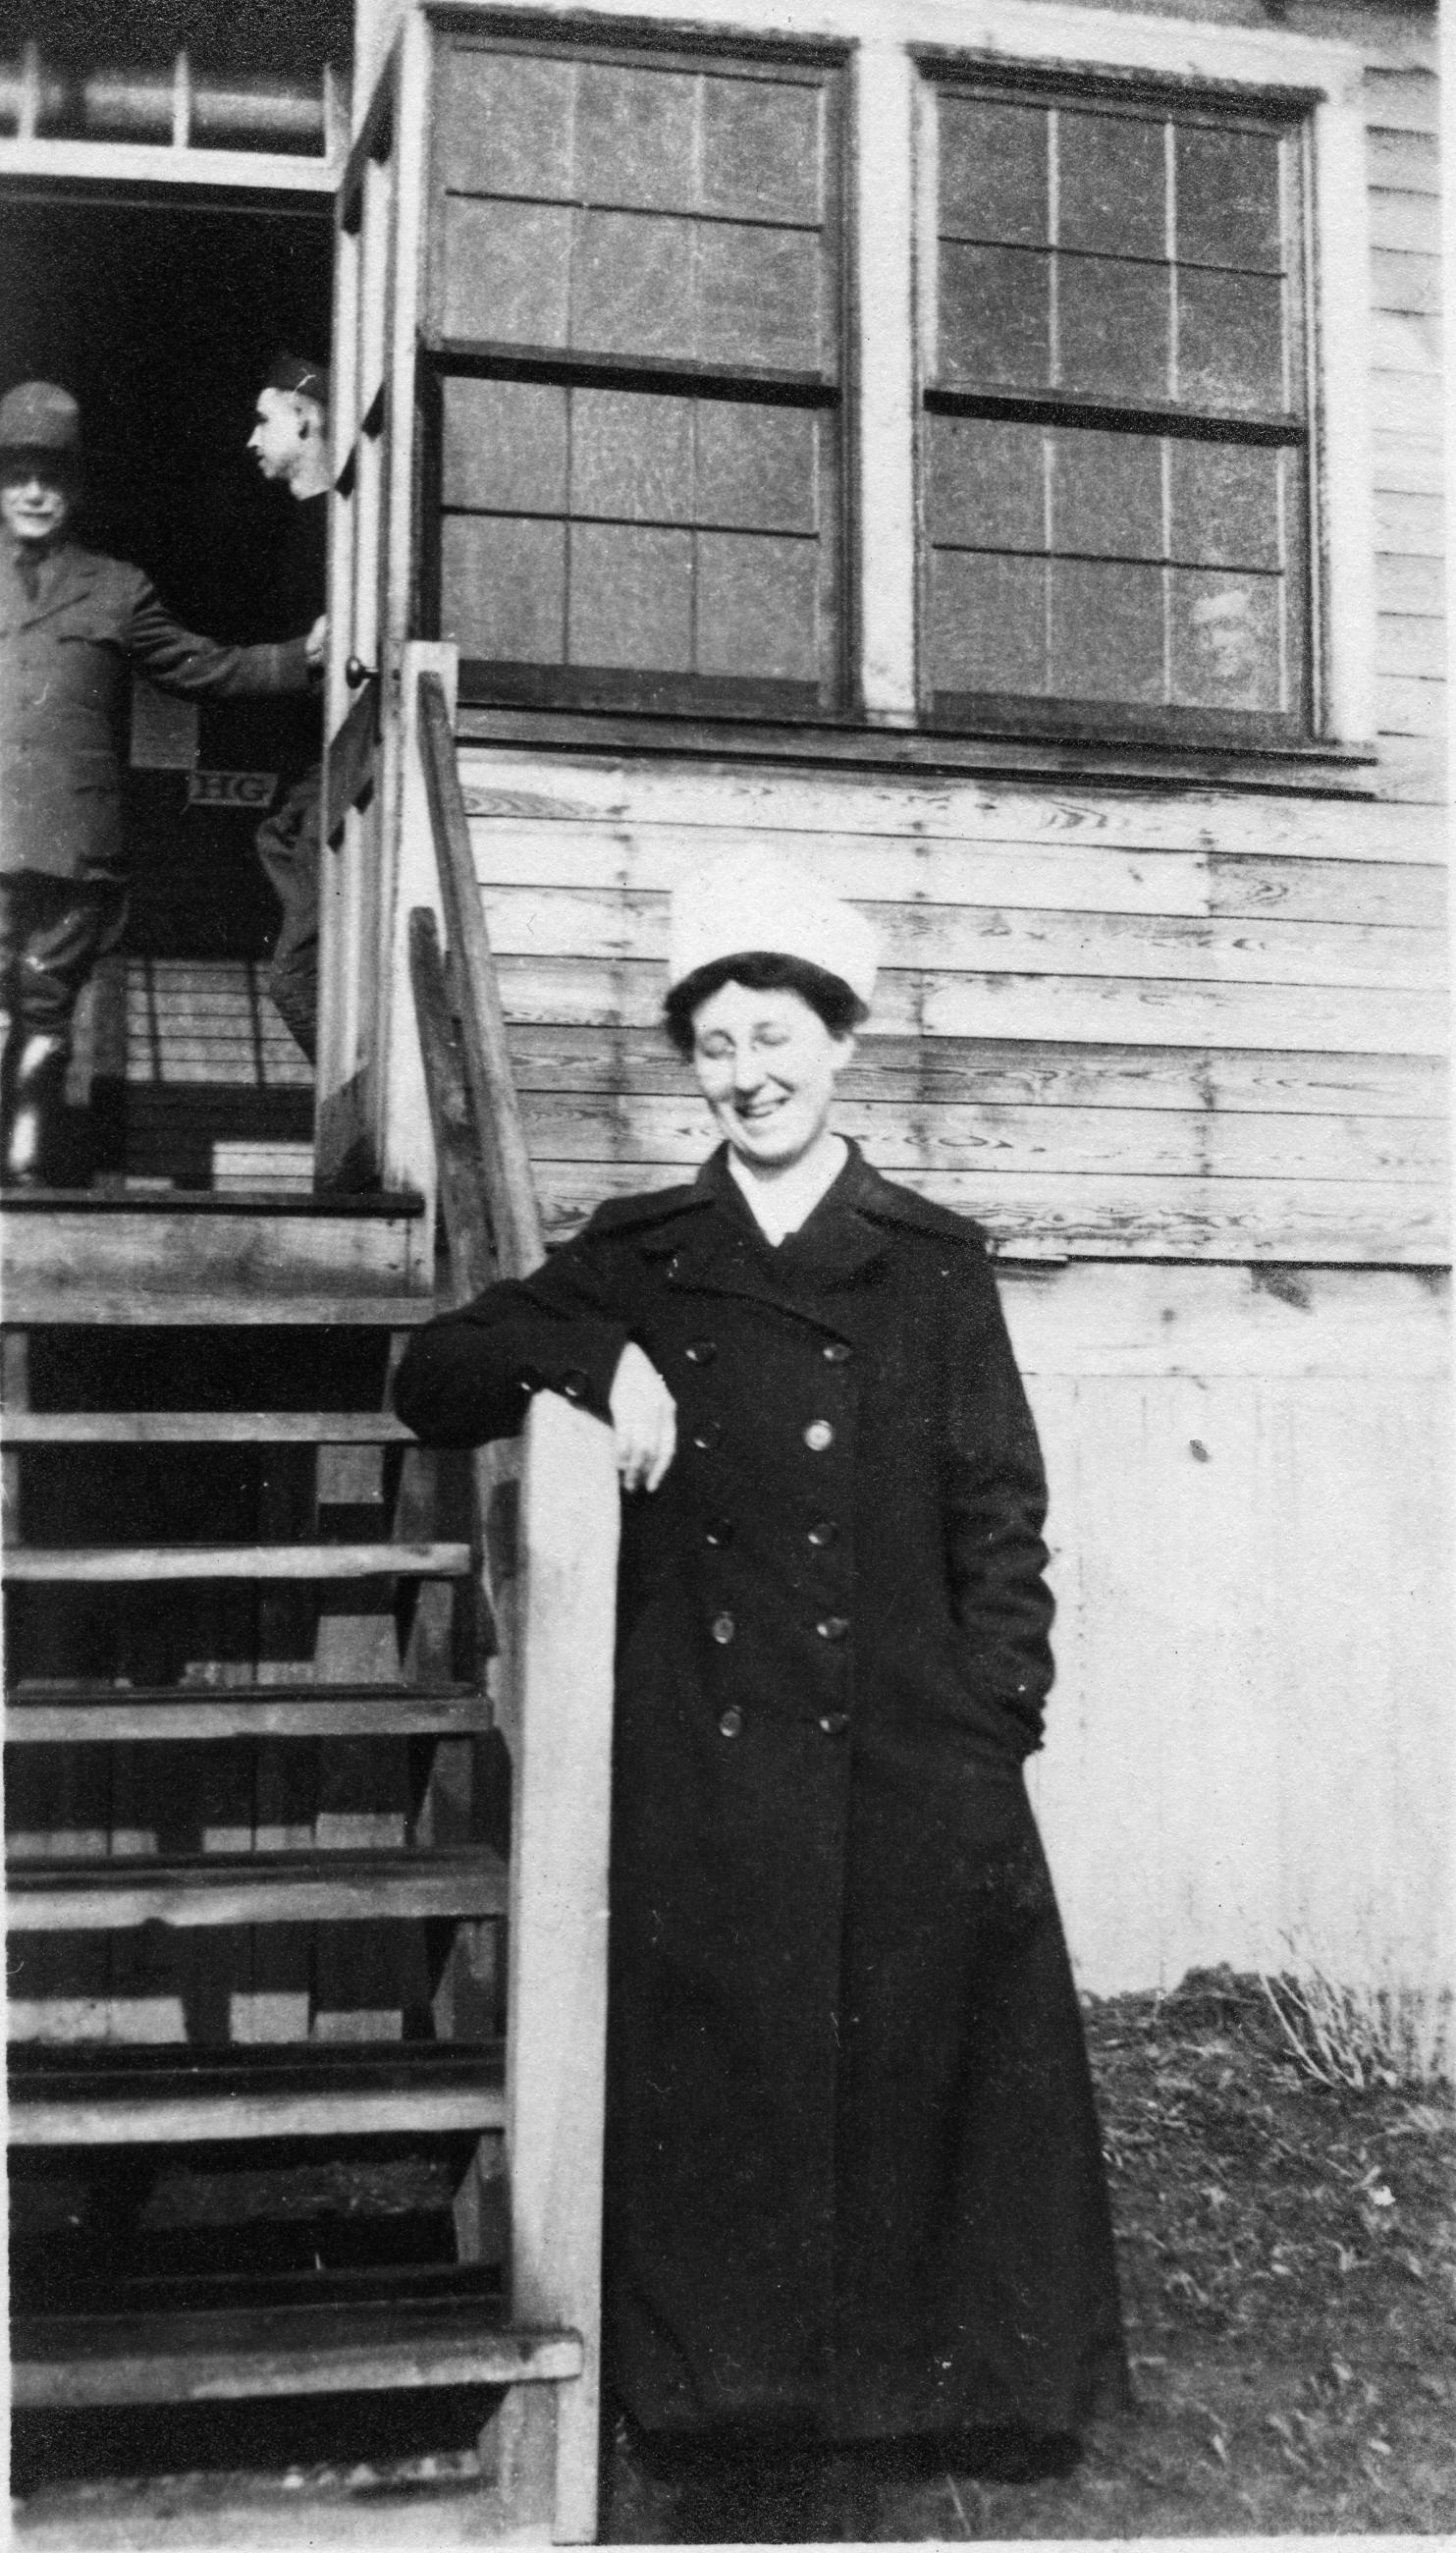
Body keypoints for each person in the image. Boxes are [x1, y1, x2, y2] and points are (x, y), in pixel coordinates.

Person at [392, 849, 1130, 2542]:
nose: (747, 1068)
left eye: (775, 1033)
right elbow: (430, 1374)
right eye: (715, 1042)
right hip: (710, 1761)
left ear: (839, 1043)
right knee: (728, 2079)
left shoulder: (927, 1259)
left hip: (905, 1752)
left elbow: (993, 1507)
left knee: (922, 2069)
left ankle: (936, 2398)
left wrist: (990, 1710)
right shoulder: (640, 1255)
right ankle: (727, 2405)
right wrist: (592, 1355)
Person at [0, 380, 323, 1187]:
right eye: (18, 475)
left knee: (43, 1015)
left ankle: (24, 1172)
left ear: (76, 489)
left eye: (54, 477)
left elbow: (199, 666)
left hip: (71, 850)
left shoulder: (117, 588)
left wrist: (297, 660)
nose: (36, 492)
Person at [245, 352, 331, 1061]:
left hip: (332, 776)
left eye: (263, 420)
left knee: (295, 980)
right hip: (300, 791)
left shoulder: (347, 534)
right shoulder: (292, 539)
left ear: (305, 419)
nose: (252, 439)